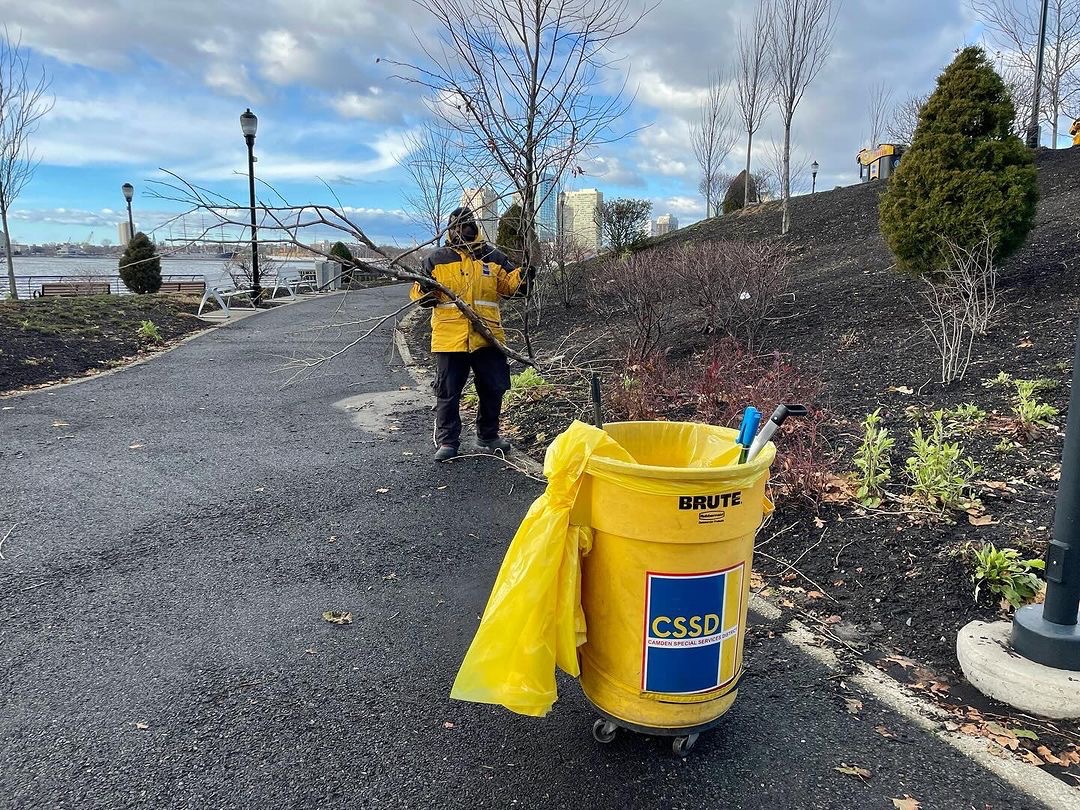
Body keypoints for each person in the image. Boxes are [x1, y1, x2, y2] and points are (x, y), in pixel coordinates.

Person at [409, 207, 533, 462]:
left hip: (487, 335)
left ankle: (488, 436)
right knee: (448, 391)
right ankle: (448, 441)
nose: (460, 231)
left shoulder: (493, 257)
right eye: (455, 227)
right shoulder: (436, 260)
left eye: (465, 225)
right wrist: (424, 292)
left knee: (493, 388)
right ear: (448, 229)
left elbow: (512, 288)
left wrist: (526, 273)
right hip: (449, 337)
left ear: (474, 226)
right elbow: (417, 295)